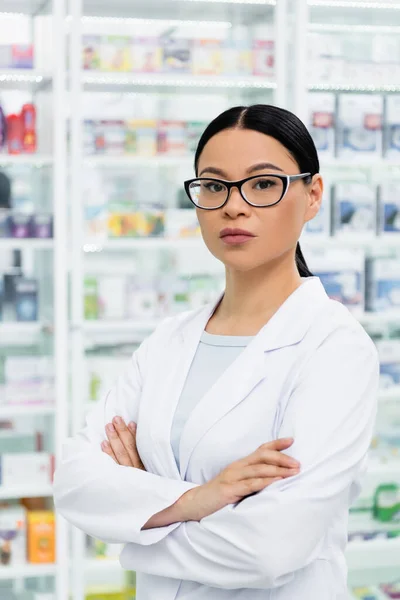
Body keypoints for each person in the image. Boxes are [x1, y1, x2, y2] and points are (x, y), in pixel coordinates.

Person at [54, 104, 379, 600]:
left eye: (263, 184)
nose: (233, 206)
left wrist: (136, 522)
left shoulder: (334, 348)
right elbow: (76, 482)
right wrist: (200, 499)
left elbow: (269, 548)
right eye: (213, 185)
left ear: (312, 195)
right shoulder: (167, 341)